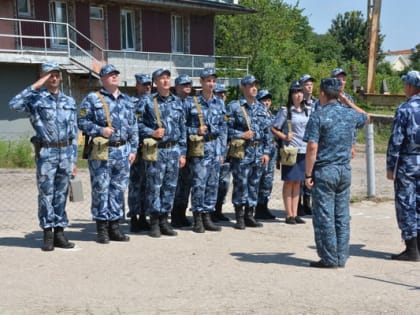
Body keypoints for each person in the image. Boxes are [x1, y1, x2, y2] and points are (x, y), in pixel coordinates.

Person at [9, 62, 78, 251]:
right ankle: (47, 232)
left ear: (61, 77)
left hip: (65, 152)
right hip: (46, 152)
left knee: (61, 194)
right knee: (46, 194)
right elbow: (14, 104)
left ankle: (59, 232)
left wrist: (73, 160)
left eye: (56, 75)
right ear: (43, 77)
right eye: (49, 75)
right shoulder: (36, 100)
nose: (53, 78)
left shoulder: (69, 102)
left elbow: (73, 131)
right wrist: (36, 85)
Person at [303, 78, 369, 268]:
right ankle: (341, 256)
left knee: (325, 216)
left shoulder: (319, 115)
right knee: (341, 215)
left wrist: (308, 175)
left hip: (325, 170)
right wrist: (347, 102)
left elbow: (312, 148)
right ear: (338, 94)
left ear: (322, 93)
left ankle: (329, 258)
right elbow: (367, 117)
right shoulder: (349, 114)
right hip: (344, 170)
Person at [78, 64, 138, 244]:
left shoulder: (127, 100)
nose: (114, 77)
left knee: (118, 191)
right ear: (102, 79)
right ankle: (102, 228)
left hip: (123, 151)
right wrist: (99, 130)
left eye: (116, 74)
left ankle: (115, 227)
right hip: (103, 151)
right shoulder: (92, 99)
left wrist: (133, 149)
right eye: (110, 75)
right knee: (101, 190)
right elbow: (81, 121)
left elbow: (133, 126)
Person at [138, 68, 187, 238]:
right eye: (162, 78)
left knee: (170, 187)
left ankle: (165, 220)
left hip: (173, 150)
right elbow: (136, 125)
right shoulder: (147, 101)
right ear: (155, 82)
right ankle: (154, 222)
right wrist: (151, 132)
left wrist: (183, 153)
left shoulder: (177, 102)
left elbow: (182, 129)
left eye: (168, 77)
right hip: (156, 150)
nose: (166, 81)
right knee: (154, 187)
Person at [184, 68, 226, 233]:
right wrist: (195, 131)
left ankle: (208, 215)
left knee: (212, 184)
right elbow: (182, 127)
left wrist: (222, 151)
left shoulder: (219, 103)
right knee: (199, 184)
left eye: (213, 81)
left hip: (215, 147)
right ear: (201, 82)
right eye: (208, 80)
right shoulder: (191, 102)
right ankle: (198, 217)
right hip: (200, 148)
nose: (211, 84)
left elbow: (223, 128)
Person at [227, 75, 270, 229]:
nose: (254, 88)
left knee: (254, 184)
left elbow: (267, 132)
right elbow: (226, 130)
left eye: (255, 85)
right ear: (243, 87)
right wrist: (241, 135)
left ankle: (249, 215)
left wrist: (266, 152)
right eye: (250, 85)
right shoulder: (234, 107)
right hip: (242, 152)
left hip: (258, 151)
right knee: (240, 183)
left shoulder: (261, 107)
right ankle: (239, 216)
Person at [386, 70, 420, 261]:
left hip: (408, 162)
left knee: (407, 204)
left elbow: (396, 140)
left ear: (409, 87)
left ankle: (412, 249)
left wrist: (391, 166)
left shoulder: (405, 109)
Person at [271, 81, 309, 225]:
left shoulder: (306, 110)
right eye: (295, 92)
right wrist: (284, 137)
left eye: (300, 92)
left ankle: (295, 212)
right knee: (289, 182)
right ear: (291, 95)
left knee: (298, 182)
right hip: (290, 150)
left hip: (303, 149)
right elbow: (274, 128)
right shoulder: (286, 111)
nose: (298, 95)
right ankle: (288, 214)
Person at [127, 73, 152, 233]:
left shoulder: (153, 102)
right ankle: (134, 217)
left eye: (149, 84)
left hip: (150, 150)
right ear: (137, 85)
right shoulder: (130, 103)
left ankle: (144, 216)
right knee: (135, 185)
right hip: (137, 150)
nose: (147, 87)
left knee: (147, 185)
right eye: (144, 84)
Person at [172, 74, 194, 227]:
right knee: (174, 184)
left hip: (192, 150)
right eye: (183, 84)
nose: (187, 86)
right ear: (176, 87)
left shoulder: (193, 103)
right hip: (176, 149)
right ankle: (174, 215)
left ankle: (182, 213)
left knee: (186, 184)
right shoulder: (173, 103)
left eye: (189, 84)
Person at [298, 74, 318, 216]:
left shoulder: (317, 104)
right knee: (298, 176)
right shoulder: (297, 104)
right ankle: (297, 204)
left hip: (313, 144)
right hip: (300, 143)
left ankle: (307, 202)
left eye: (311, 84)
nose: (309, 86)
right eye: (306, 84)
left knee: (311, 174)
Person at [254, 89, 277, 220]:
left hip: (272, 150)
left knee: (268, 180)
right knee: (259, 179)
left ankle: (264, 206)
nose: (266, 103)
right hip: (261, 151)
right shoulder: (257, 115)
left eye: (268, 100)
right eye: (264, 100)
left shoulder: (272, 115)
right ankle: (256, 207)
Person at [211, 83, 231, 222]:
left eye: (224, 93)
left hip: (227, 152)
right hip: (213, 152)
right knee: (212, 183)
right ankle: (209, 211)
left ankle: (218, 209)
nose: (222, 96)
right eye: (219, 93)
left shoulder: (228, 111)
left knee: (224, 183)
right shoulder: (213, 110)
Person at [331, 68, 357, 159]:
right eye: (339, 79)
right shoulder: (326, 98)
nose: (342, 82)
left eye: (344, 80)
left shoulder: (350, 99)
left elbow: (353, 124)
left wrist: (353, 145)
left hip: (345, 145)